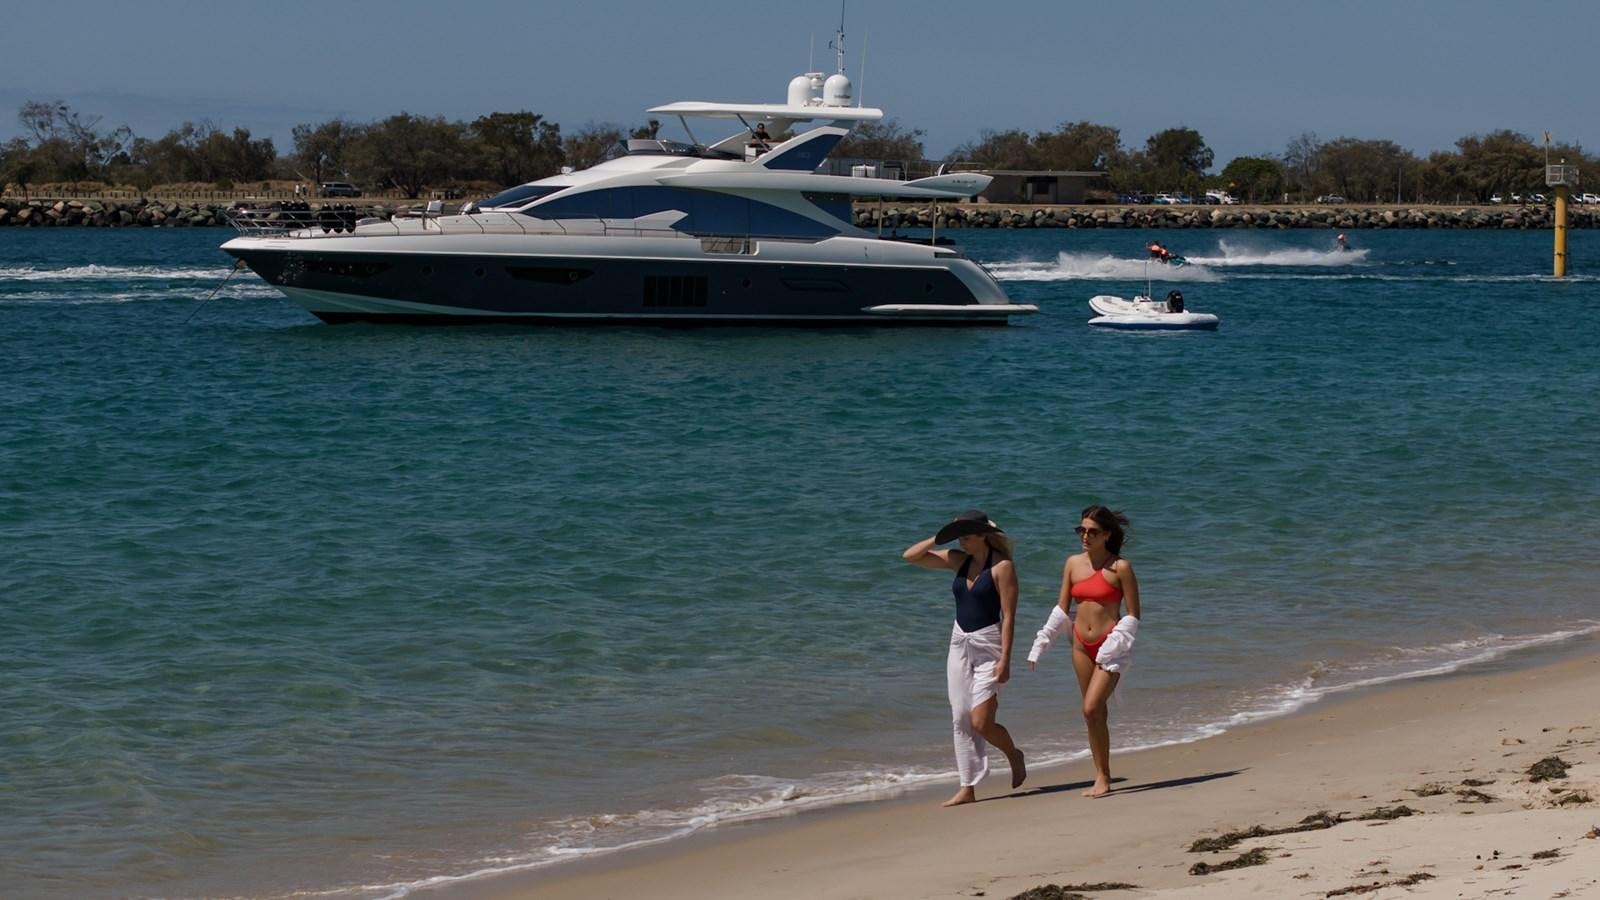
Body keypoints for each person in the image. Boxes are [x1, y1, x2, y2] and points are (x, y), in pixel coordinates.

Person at [903, 509, 1027, 806]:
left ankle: (1013, 754)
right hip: (959, 642)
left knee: (981, 722)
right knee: (960, 716)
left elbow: (1009, 616)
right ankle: (967, 787)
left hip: (989, 645)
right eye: (957, 536)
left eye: (966, 536)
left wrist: (1006, 659)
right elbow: (911, 556)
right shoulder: (957, 560)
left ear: (983, 535)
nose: (961, 541)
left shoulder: (1002, 567)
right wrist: (940, 537)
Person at [1029, 506, 1140, 798]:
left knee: (1090, 707)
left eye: (1092, 532)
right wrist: (1041, 642)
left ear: (1106, 535)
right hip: (1079, 645)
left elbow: (1133, 615)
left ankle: (1103, 775)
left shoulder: (1121, 568)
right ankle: (1102, 774)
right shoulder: (1072, 564)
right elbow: (1061, 610)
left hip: (1111, 649)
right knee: (1094, 714)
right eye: (1081, 530)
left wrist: (1114, 644)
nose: (1085, 536)